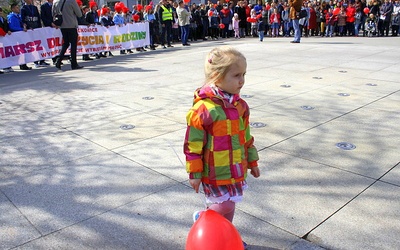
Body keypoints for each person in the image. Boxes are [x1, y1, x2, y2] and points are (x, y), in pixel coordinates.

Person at [183, 46, 260, 250]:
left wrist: (252, 161)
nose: (242, 80)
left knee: (231, 207)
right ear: (217, 77)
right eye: (236, 75)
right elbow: (193, 145)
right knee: (225, 205)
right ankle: (203, 218)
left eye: (244, 74)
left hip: (236, 169)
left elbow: (246, 137)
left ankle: (226, 236)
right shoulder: (203, 109)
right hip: (214, 171)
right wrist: (195, 172)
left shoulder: (240, 106)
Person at [52, 0, 84, 70]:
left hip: (62, 26)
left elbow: (53, 14)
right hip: (71, 25)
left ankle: (59, 60)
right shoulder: (71, 1)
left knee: (66, 43)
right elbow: (79, 14)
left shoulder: (56, 2)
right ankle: (74, 64)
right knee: (73, 45)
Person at [21, 0, 49, 68]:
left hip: (36, 27)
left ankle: (42, 60)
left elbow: (38, 18)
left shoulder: (34, 7)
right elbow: (23, 19)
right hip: (30, 28)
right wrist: (27, 27)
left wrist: (39, 26)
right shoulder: (23, 8)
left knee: (40, 44)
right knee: (32, 46)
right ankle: (35, 61)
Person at [7, 3, 32, 70]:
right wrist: (21, 29)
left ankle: (23, 64)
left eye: (18, 7)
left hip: (20, 36)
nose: (18, 9)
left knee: (22, 50)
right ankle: (21, 64)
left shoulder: (18, 16)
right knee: (19, 51)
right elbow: (12, 27)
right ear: (13, 9)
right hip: (16, 36)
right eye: (16, 8)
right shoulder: (11, 17)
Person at [0, 6, 13, 73]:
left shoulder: (4, 19)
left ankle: (7, 65)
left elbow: (7, 27)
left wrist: (8, 30)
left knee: (6, 52)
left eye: (1, 11)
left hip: (5, 38)